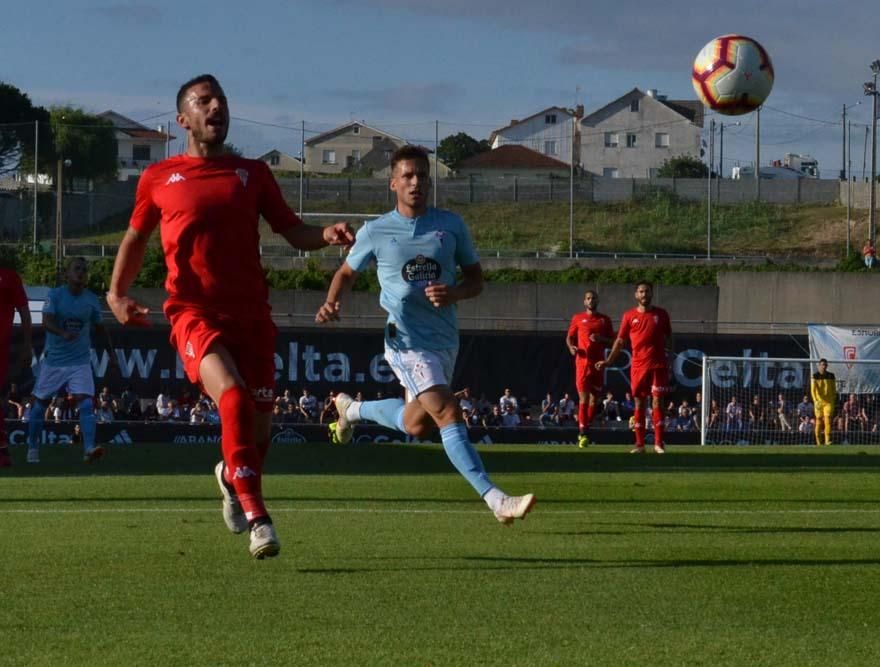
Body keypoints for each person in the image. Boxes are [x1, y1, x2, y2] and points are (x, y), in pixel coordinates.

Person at [106, 74, 355, 559]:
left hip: (252, 316)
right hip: (193, 312)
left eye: (220, 100)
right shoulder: (159, 178)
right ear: (183, 119)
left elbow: (291, 229)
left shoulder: (252, 174)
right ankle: (259, 517)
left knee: (259, 433)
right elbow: (135, 239)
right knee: (234, 397)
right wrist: (116, 294)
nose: (215, 106)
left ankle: (228, 475)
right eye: (204, 101)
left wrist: (324, 235)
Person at [315, 144, 535, 526]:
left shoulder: (450, 225)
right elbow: (346, 273)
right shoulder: (376, 230)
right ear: (393, 183)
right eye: (408, 176)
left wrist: (454, 293)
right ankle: (495, 498)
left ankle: (350, 410)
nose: (416, 182)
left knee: (417, 424)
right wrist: (332, 302)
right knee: (448, 411)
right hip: (405, 340)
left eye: (422, 175)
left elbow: (476, 280)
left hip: (445, 339)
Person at [26, 257, 115, 464]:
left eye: (84, 270)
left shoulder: (92, 299)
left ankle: (89, 448)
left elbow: (100, 329)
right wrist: (62, 333)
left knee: (86, 402)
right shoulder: (55, 295)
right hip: (54, 361)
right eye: (77, 269)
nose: (81, 272)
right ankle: (32, 448)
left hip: (80, 362)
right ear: (67, 274)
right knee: (39, 405)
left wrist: (111, 353)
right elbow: (46, 321)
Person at [596, 281, 673, 454]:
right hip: (638, 366)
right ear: (636, 295)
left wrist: (671, 359)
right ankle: (639, 444)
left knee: (657, 401)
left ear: (652, 294)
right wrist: (608, 361)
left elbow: (669, 337)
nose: (644, 294)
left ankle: (659, 443)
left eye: (647, 291)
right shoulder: (629, 316)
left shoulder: (661, 314)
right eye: (641, 292)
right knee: (639, 402)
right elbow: (620, 341)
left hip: (658, 365)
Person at [566, 289, 615, 448]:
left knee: (594, 399)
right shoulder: (578, 318)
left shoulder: (604, 320)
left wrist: (600, 338)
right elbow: (569, 337)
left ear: (597, 300)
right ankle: (582, 432)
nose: (591, 300)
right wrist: (571, 347)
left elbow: (613, 342)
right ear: (584, 301)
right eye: (588, 298)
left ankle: (585, 425)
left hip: (598, 364)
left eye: (593, 298)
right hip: (582, 364)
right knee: (584, 399)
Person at [0, 260, 32, 468]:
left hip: (1, 349)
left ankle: (2, 448)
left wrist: (27, 345)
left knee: (1, 398)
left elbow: (24, 312)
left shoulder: (9, 277)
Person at [810, 358, 837, 446]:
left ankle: (827, 440)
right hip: (819, 402)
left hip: (828, 402)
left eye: (825, 365)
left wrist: (833, 398)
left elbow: (834, 388)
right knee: (818, 421)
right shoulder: (815, 376)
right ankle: (818, 442)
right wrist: (815, 401)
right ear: (819, 366)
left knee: (828, 420)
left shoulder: (831, 375)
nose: (824, 367)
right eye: (822, 365)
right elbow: (813, 390)